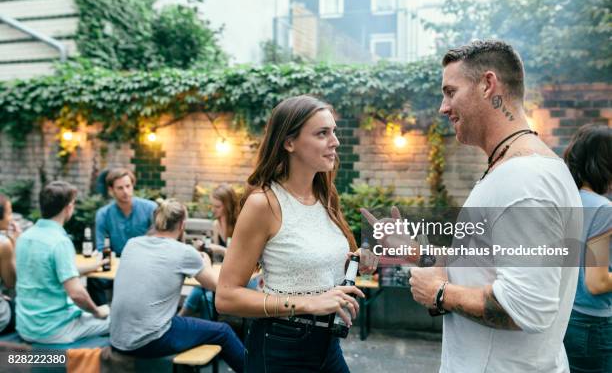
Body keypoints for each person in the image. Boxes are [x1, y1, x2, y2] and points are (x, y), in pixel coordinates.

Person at [367, 40, 583, 372]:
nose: (443, 107)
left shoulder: (525, 179)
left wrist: (439, 293)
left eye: (450, 92)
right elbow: (484, 265)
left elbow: (525, 307)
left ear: (487, 84)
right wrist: (417, 253)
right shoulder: (516, 169)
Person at [216, 95, 376, 372]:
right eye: (322, 133)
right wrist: (309, 303)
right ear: (289, 143)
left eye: (333, 132)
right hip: (282, 346)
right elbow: (226, 296)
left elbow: (313, 266)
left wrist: (358, 259)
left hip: (328, 343)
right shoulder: (264, 203)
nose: (335, 141)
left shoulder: (324, 196)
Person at [109, 199, 244, 372]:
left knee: (180, 322)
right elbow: (217, 286)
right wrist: (208, 266)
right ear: (182, 225)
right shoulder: (184, 252)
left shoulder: (132, 244)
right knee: (223, 332)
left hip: (117, 338)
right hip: (148, 340)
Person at [16, 181, 110, 344]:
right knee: (116, 318)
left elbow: (54, 270)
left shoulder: (25, 237)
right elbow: (77, 294)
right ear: (68, 207)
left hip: (26, 326)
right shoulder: (60, 242)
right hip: (54, 330)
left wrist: (94, 265)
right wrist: (97, 312)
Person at [562, 124, 611, 372]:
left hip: (565, 317)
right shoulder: (603, 209)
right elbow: (597, 282)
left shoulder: (566, 199)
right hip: (593, 325)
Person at [88, 168, 157, 305]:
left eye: (128, 186)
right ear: (111, 190)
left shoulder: (150, 208)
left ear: (133, 185)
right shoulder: (103, 214)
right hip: (116, 266)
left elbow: (159, 241)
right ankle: (106, 317)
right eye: (120, 188)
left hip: (144, 265)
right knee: (93, 280)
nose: (125, 191)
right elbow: (101, 246)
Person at [180, 184, 242, 319]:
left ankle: (181, 316)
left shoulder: (240, 223)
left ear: (228, 205)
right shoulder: (216, 224)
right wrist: (203, 248)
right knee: (202, 291)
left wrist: (218, 248)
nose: (213, 210)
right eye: (212, 206)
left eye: (217, 206)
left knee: (202, 291)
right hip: (222, 271)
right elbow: (217, 258)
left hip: (238, 274)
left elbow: (239, 257)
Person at [0, 193, 20, 334]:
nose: (11, 218)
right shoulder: (3, 243)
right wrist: (15, 243)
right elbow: (11, 283)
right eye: (10, 212)